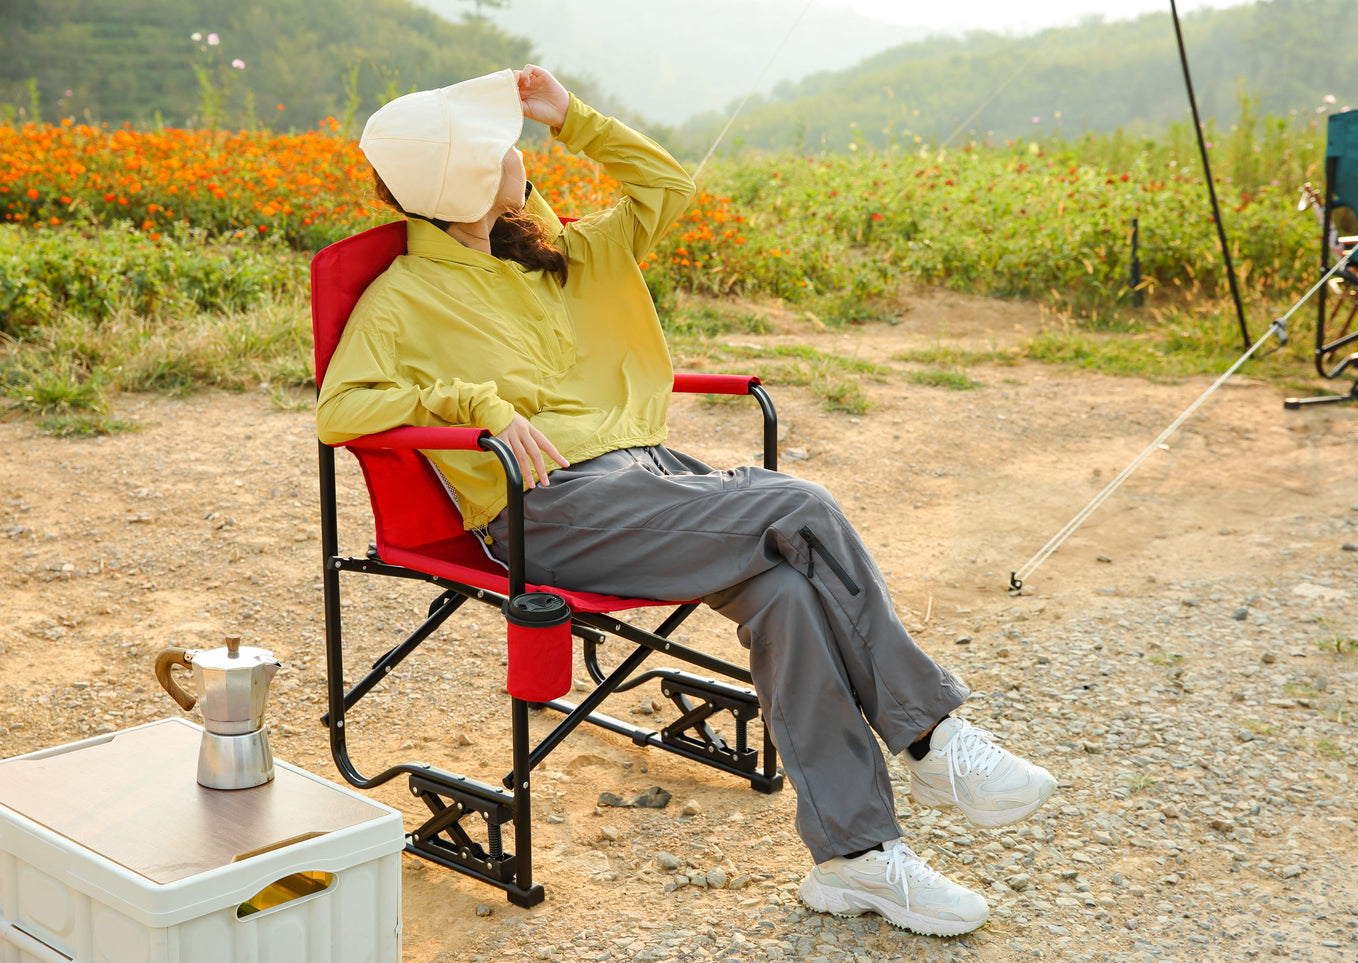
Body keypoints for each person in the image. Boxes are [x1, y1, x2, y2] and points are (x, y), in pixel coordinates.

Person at [317, 65, 1057, 937]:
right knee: (800, 507)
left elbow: (666, 186)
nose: (519, 154)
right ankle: (930, 738)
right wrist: (470, 401)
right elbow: (339, 410)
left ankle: (853, 859)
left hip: (650, 478)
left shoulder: (558, 252)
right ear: (468, 180)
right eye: (502, 147)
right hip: (550, 510)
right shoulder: (404, 295)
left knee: (785, 594)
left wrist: (573, 118)